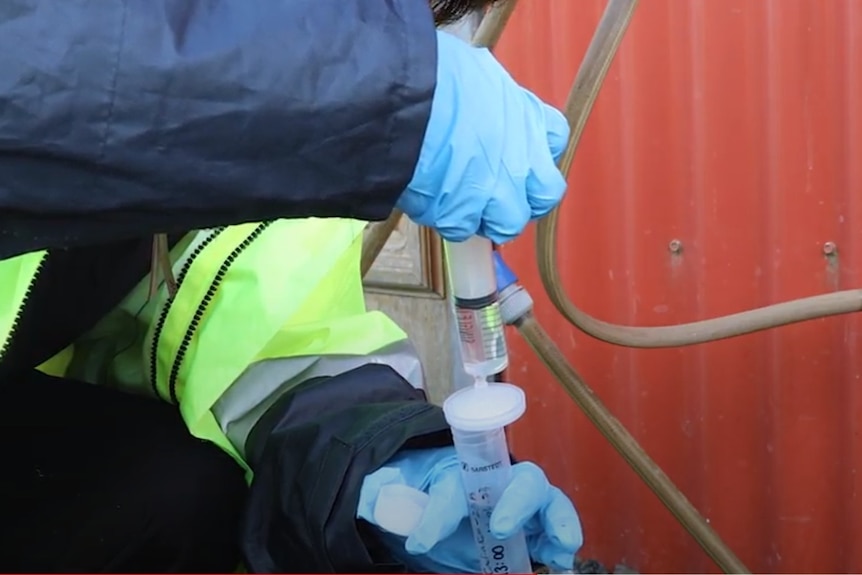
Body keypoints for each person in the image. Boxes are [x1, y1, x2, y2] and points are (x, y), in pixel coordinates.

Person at [0, 1, 583, 573]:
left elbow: (251, 338)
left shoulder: (277, 116)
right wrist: (356, 87)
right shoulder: (311, 86)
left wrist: (385, 475)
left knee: (175, 497)